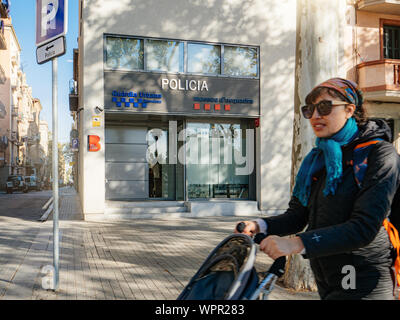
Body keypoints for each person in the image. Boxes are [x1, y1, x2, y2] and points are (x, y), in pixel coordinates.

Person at [236, 78, 400, 300]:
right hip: (325, 273)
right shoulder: (317, 159)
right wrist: (259, 226)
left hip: (363, 275)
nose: (314, 116)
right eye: (309, 109)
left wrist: (295, 243)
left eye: (324, 107)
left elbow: (364, 227)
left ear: (350, 110)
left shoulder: (379, 153)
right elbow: (297, 216)